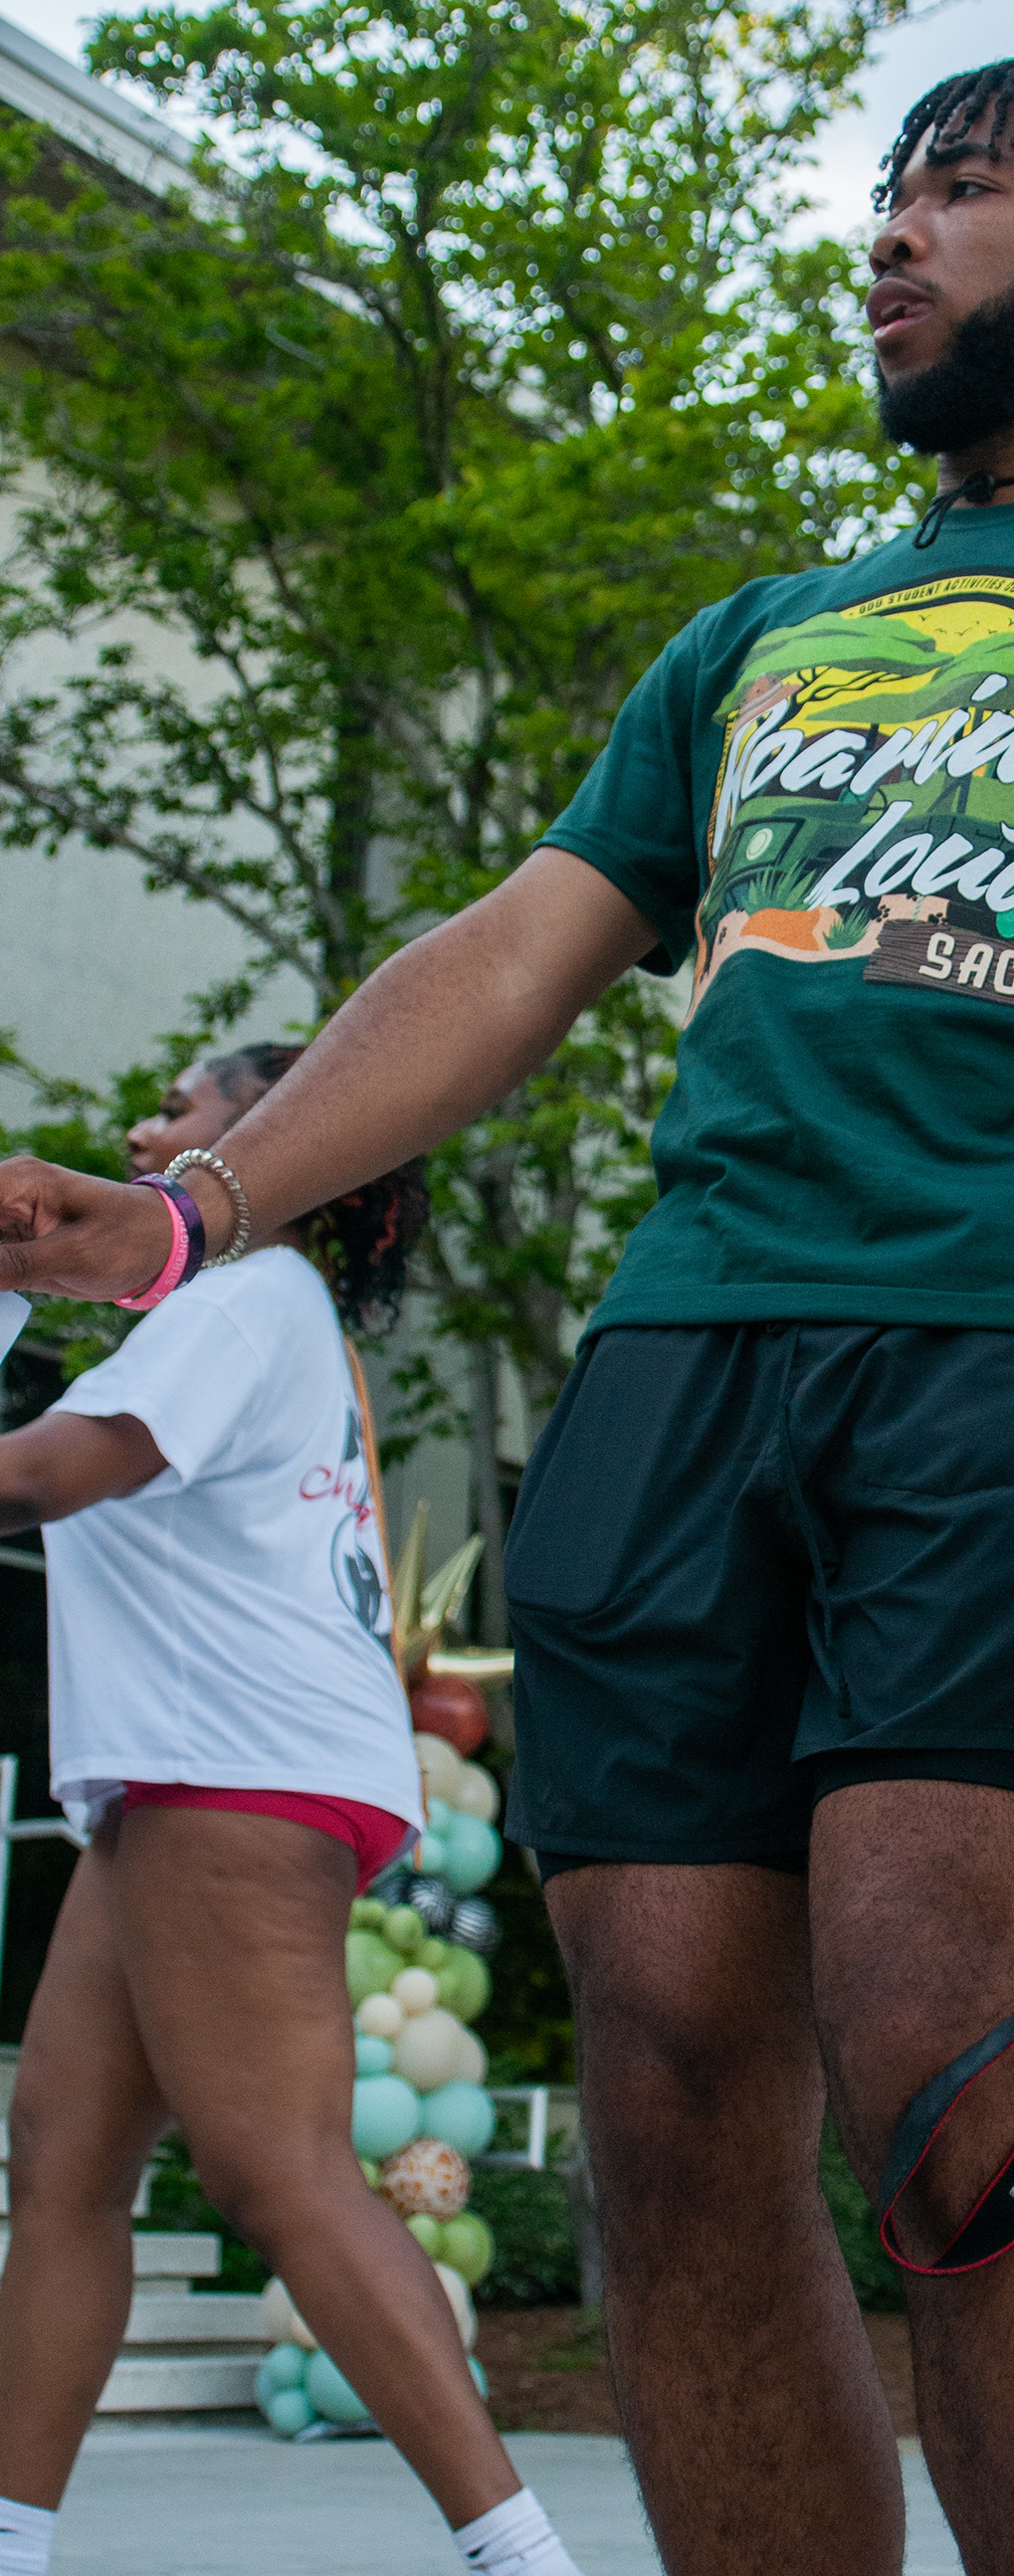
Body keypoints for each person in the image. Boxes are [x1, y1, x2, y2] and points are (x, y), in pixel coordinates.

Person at [0, 54, 1014, 2576]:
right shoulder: (758, 635)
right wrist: (200, 1214)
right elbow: (513, 954)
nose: (890, 237)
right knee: (676, 2089)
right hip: (685, 1366)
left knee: (943, 2066)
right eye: (886, 195)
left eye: (962, 190)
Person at [0, 1049, 580, 2576]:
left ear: (279, 1148)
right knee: (61, 2157)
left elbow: (47, 1476)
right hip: (184, 1775)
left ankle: (525, 2559)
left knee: (285, 2174)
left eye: (182, 1109)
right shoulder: (240, 1313)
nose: (143, 1129)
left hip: (229, 1769)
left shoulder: (248, 1295)